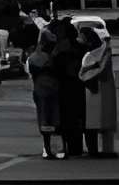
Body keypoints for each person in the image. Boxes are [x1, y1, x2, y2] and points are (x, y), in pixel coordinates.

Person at [79, 27, 118, 158]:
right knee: (103, 119)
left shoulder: (92, 55)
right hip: (104, 88)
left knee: (92, 121)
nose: (79, 39)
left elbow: (85, 73)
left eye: (81, 37)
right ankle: (107, 150)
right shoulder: (103, 53)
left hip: (93, 89)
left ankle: (94, 150)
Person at [51, 19, 86, 157]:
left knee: (66, 118)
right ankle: (76, 147)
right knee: (77, 118)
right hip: (78, 86)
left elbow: (54, 66)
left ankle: (66, 146)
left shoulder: (59, 49)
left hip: (65, 87)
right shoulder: (81, 48)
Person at [28, 29, 62, 159]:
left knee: (44, 118)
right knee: (53, 118)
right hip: (51, 89)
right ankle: (54, 149)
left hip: (40, 90)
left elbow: (32, 73)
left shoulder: (34, 57)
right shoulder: (53, 56)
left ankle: (47, 148)